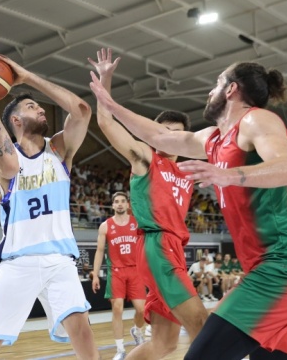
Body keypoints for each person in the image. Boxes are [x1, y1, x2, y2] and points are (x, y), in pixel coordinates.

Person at [91, 59, 287, 360]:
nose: (209, 92)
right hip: (269, 267)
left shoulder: (256, 120)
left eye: (216, 83)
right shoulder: (214, 139)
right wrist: (109, 102)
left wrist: (229, 175)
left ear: (231, 90)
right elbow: (159, 136)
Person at [0, 52, 99, 360]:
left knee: (83, 330)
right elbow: (8, 164)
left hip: (60, 259)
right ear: (16, 120)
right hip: (18, 260)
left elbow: (82, 111)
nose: (40, 109)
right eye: (31, 106)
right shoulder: (7, 159)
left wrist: (27, 76)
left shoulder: (60, 150)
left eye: (38, 105)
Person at [89, 48, 208, 360]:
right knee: (202, 325)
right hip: (157, 247)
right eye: (164, 134)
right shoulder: (145, 157)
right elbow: (106, 124)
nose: (170, 139)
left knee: (163, 345)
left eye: (177, 135)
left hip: (173, 251)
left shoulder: (187, 170)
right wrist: (105, 81)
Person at [92, 191, 146, 360]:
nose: (120, 204)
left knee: (142, 310)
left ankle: (137, 331)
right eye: (117, 201)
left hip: (136, 270)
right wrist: (95, 275)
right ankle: (120, 349)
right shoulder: (105, 226)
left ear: (128, 204)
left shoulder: (137, 223)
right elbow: (100, 251)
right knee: (117, 309)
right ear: (113, 205)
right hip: (116, 271)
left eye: (123, 201)